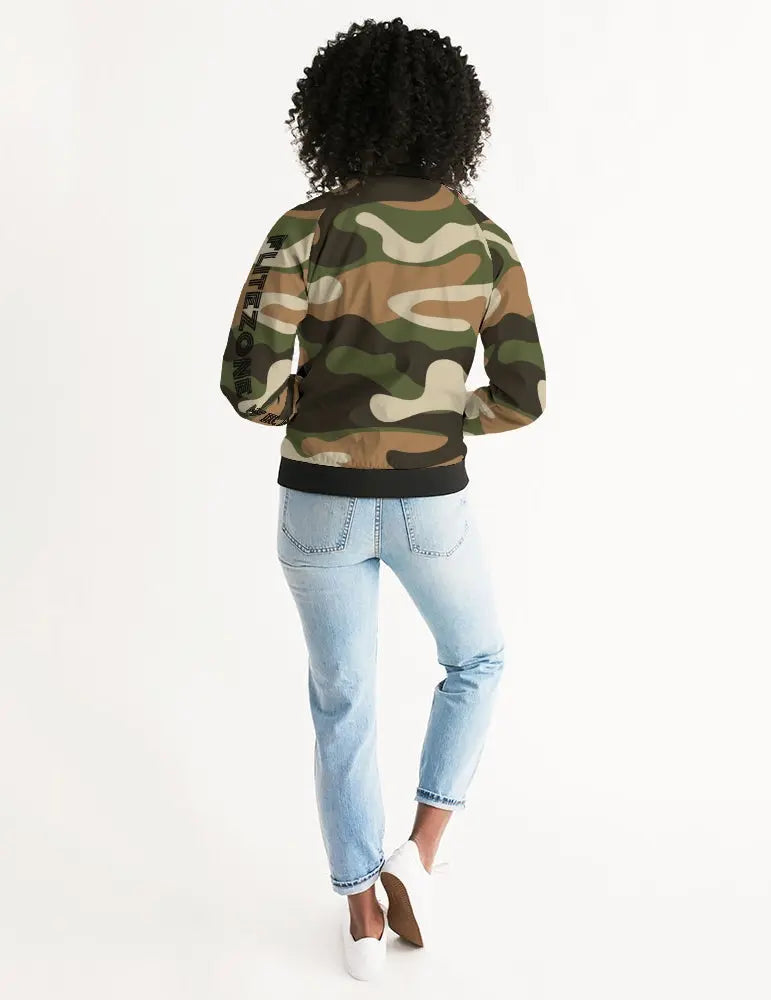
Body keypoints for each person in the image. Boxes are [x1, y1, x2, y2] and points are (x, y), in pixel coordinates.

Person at [219, 17, 546, 980]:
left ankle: (361, 916)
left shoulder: (306, 229)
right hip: (429, 502)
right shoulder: (485, 240)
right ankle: (420, 855)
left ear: (336, 114)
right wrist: (438, 417)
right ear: (454, 120)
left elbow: (248, 387)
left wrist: (320, 410)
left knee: (343, 698)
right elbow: (523, 396)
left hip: (318, 501)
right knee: (477, 659)